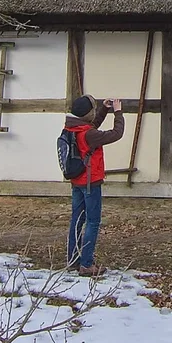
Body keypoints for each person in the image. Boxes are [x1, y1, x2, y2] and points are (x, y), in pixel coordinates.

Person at [64, 94, 124, 275]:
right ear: (87, 114)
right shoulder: (88, 134)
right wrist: (118, 113)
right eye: (94, 110)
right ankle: (86, 264)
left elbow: (92, 127)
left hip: (77, 181)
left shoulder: (71, 128)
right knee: (93, 222)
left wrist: (104, 110)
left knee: (77, 221)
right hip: (91, 182)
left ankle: (73, 260)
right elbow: (116, 134)